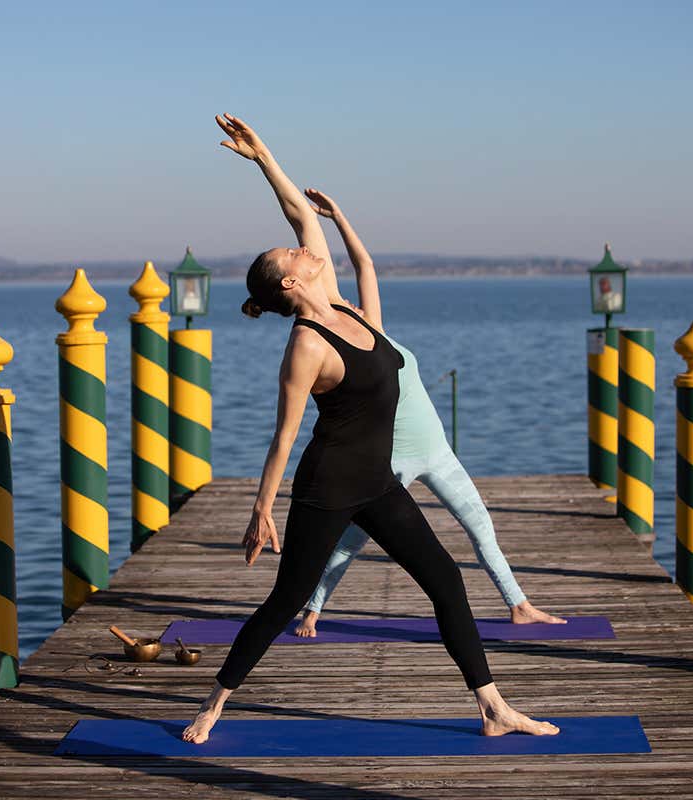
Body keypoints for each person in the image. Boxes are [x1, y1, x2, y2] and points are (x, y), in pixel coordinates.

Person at [180, 114, 559, 744]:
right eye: (296, 254)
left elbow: (298, 211)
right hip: (327, 487)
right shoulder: (306, 345)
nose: (308, 244)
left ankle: (493, 707)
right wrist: (261, 510)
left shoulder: (343, 304)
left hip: (379, 483)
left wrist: (262, 156)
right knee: (283, 601)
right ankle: (213, 705)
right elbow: (283, 435)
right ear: (292, 283)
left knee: (446, 579)